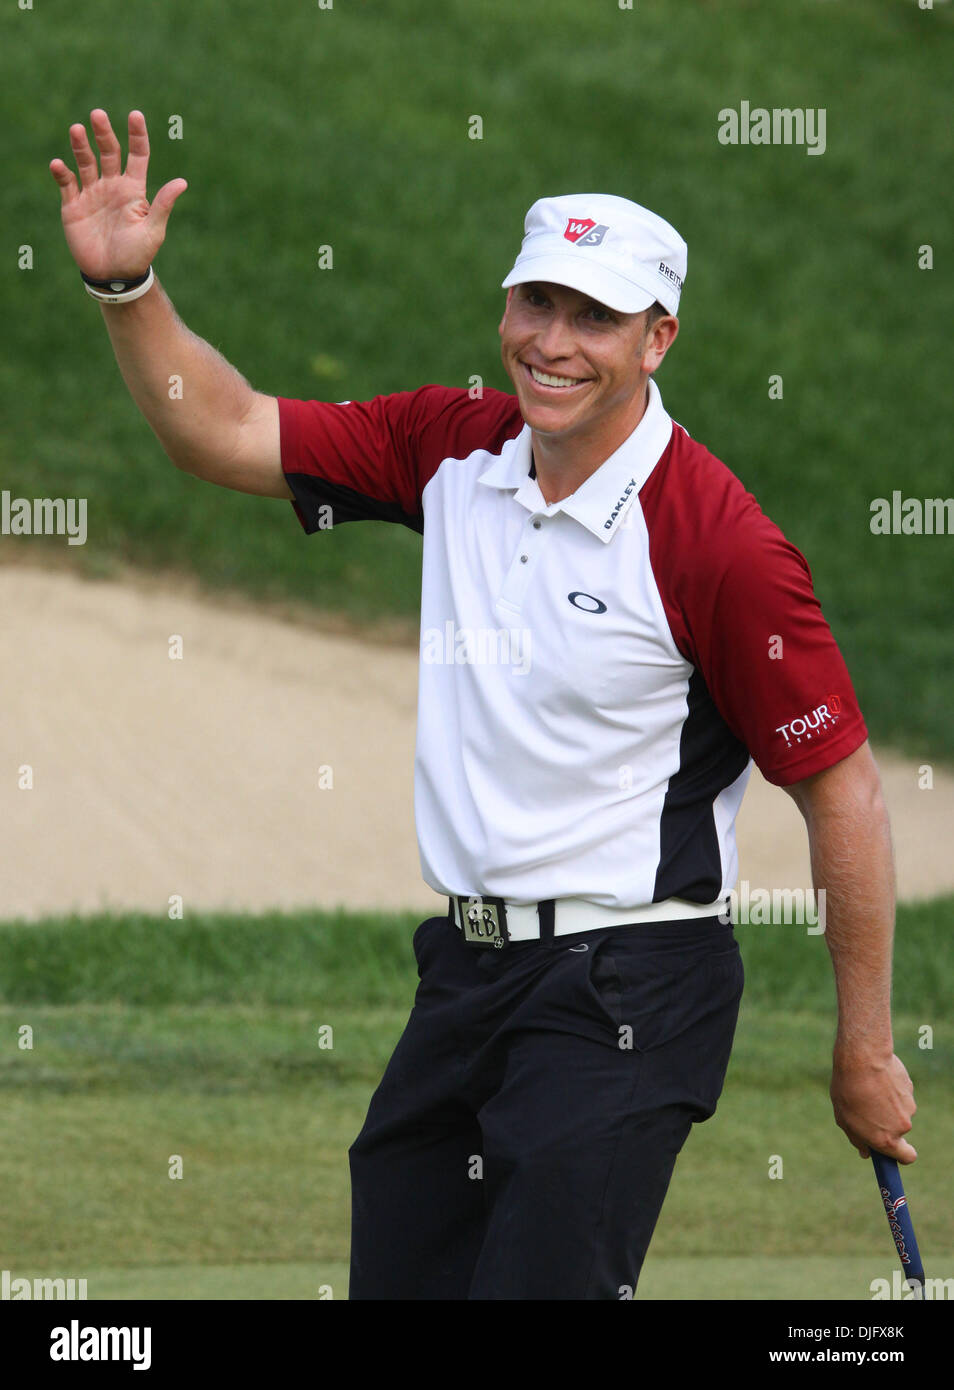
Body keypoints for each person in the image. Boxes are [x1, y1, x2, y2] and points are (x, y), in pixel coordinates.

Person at [51, 109, 918, 1301]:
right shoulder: (450, 448)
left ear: (659, 338)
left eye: (596, 317)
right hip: (465, 975)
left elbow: (845, 790)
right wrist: (130, 287)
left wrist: (864, 1047)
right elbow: (227, 428)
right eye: (537, 304)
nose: (553, 343)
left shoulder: (719, 544)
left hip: (632, 986)